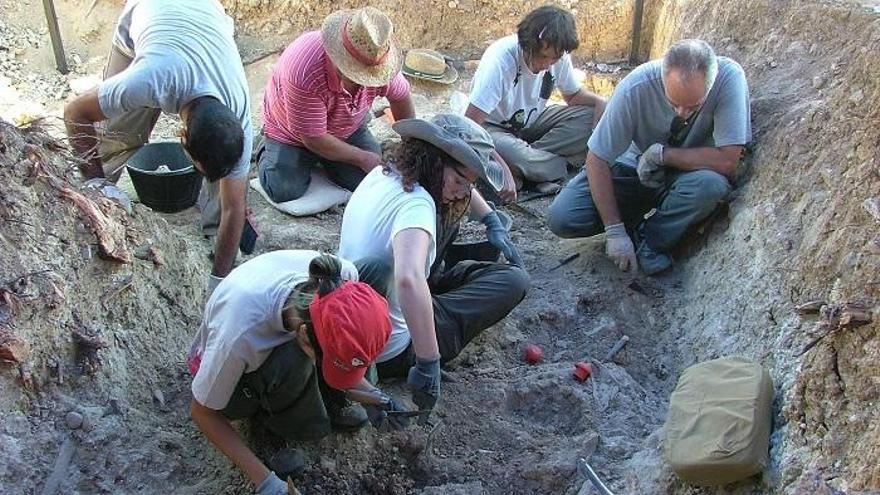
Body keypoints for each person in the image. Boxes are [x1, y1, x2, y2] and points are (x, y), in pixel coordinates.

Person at [338, 113, 530, 421]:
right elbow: (409, 280)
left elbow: (458, 184)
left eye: (471, 184)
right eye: (460, 181)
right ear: (434, 162)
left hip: (360, 307)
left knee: (453, 210)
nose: (465, 191)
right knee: (514, 282)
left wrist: (490, 218)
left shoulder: (386, 173)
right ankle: (423, 342)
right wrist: (428, 361)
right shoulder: (418, 206)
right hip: (394, 346)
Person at [64, 0, 253, 297]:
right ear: (181, 138)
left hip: (205, 16)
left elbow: (234, 207)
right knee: (118, 136)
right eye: (197, 167)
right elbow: (75, 113)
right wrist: (95, 181)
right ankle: (99, 206)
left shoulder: (239, 117)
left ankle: (214, 241)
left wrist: (219, 283)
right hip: (151, 13)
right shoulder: (145, 80)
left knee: (224, 188)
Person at [188, 250, 409, 495]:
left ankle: (332, 404)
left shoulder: (340, 278)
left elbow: (346, 348)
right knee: (293, 359)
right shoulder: (238, 337)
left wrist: (380, 398)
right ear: (303, 334)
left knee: (372, 274)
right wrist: (266, 482)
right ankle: (267, 429)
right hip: (231, 381)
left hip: (271, 327)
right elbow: (202, 413)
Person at [547, 39, 751, 275]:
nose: (681, 113)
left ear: (711, 82)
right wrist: (614, 231)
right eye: (673, 103)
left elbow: (728, 160)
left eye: (693, 107)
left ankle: (650, 239)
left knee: (711, 186)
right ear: (663, 78)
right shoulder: (637, 85)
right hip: (633, 169)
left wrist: (664, 155)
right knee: (562, 217)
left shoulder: (729, 79)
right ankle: (629, 223)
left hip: (689, 176)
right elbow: (597, 158)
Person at [257, 7, 416, 203]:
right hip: (294, 134)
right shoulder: (303, 69)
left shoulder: (379, 60)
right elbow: (313, 139)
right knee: (284, 189)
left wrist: (412, 147)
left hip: (347, 127)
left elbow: (401, 98)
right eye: (358, 73)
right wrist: (363, 158)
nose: (364, 81)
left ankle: (329, 160)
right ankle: (266, 148)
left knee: (375, 182)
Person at [465, 5, 606, 200]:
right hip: (492, 128)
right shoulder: (501, 61)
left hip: (531, 123)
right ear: (528, 44)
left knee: (589, 116)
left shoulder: (558, 57)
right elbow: (470, 126)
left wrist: (600, 102)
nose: (547, 65)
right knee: (521, 157)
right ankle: (534, 166)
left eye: (554, 59)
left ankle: (527, 170)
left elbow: (573, 97)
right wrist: (504, 166)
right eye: (543, 57)